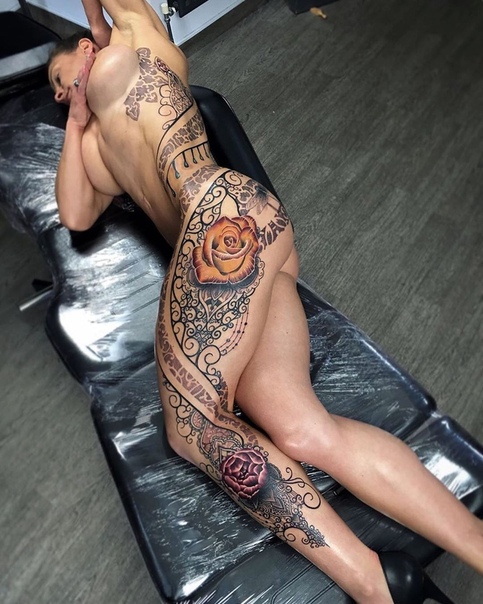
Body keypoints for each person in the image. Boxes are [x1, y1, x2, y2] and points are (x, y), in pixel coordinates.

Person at [48, 2, 483, 602]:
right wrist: (73, 122)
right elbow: (74, 213)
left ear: (87, 47)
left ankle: (375, 585)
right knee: (303, 431)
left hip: (223, 216)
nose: (58, 92)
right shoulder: (96, 148)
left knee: (192, 426)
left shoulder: (132, 49)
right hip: (241, 267)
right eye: (54, 92)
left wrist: (99, 32)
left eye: (59, 75)